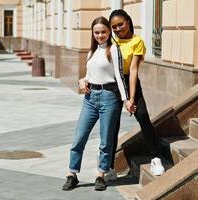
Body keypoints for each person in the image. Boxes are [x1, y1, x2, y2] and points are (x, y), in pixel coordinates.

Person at [62, 16, 129, 191]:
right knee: (79, 138)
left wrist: (125, 99)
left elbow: (120, 77)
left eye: (103, 32)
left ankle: (101, 175)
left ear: (109, 32)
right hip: (90, 99)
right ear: (93, 33)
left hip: (109, 97)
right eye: (97, 32)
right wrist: (82, 80)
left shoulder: (114, 49)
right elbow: (89, 75)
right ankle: (72, 174)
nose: (100, 35)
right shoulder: (90, 53)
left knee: (105, 141)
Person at [108, 9, 165, 177]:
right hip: (112, 84)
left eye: (121, 24)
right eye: (114, 27)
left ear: (128, 22)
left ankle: (155, 158)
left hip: (130, 81)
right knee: (112, 124)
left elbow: (133, 70)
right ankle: (109, 166)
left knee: (143, 116)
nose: (118, 29)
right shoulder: (110, 41)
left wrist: (131, 98)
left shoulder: (137, 41)